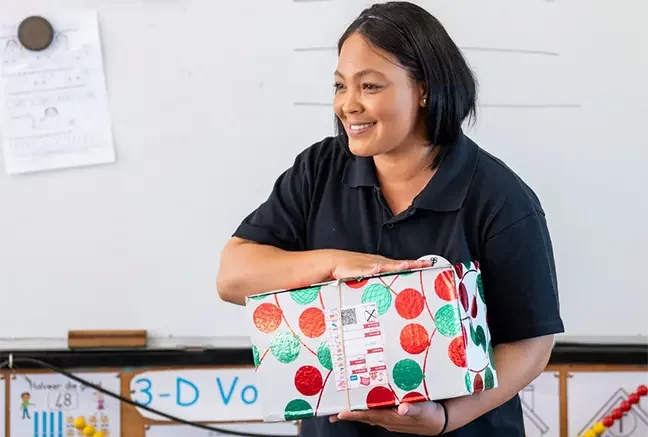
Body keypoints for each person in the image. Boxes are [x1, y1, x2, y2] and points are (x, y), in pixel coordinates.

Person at [217, 2, 564, 436]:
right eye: (340, 86)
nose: (348, 105)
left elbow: (531, 344)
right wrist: (335, 264)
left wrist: (444, 418)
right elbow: (233, 277)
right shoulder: (318, 170)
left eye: (369, 86)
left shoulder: (500, 197)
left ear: (424, 90)